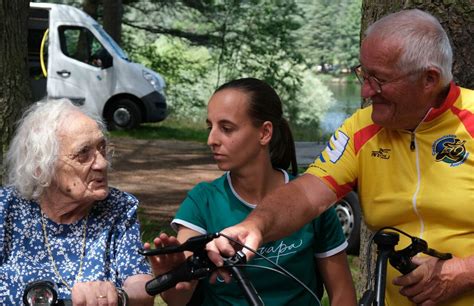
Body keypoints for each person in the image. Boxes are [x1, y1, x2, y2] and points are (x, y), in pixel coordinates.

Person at [207, 9, 474, 306]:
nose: (366, 89)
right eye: (364, 73)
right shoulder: (363, 128)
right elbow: (308, 193)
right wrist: (255, 225)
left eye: (379, 79)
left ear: (428, 79)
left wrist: (465, 271)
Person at [145, 78, 356, 305]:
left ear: (264, 133)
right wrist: (173, 275)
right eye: (210, 127)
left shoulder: (310, 200)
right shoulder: (202, 201)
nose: (211, 140)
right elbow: (178, 299)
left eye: (226, 129)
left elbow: (342, 292)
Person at [0, 99, 154, 305]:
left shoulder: (119, 207)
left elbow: (142, 286)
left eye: (102, 148)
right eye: (84, 153)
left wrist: (119, 296)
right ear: (41, 165)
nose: (102, 163)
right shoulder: (6, 208)